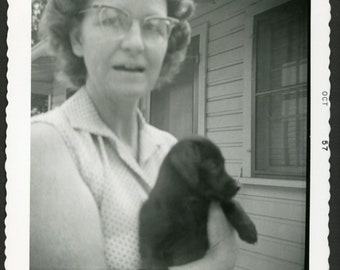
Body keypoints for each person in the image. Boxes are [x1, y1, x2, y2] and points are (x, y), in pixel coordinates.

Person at [30, 0, 239, 269]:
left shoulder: (168, 148)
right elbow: (218, 247)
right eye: (112, 19)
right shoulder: (46, 145)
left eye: (154, 26)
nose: (136, 43)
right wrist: (220, 260)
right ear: (77, 38)